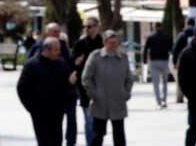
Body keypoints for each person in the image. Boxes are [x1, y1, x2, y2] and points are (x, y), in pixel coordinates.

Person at [17, 37, 77, 146]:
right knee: (44, 142)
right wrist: (31, 107)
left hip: (57, 111)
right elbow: (21, 88)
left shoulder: (62, 63)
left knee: (57, 141)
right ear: (47, 50)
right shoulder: (32, 65)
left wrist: (71, 83)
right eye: (56, 50)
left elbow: (67, 86)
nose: (59, 52)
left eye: (59, 49)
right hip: (40, 113)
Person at [82, 30, 133, 146]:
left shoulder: (123, 57)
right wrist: (93, 94)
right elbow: (86, 78)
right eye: (111, 43)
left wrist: (126, 92)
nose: (113, 46)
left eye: (115, 43)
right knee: (98, 135)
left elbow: (129, 78)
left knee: (119, 135)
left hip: (118, 101)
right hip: (100, 103)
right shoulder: (95, 57)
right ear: (104, 43)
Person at [73, 17, 103, 146]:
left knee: (99, 119)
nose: (86, 29)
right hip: (85, 86)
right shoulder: (80, 44)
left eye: (89, 26)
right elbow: (73, 62)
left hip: (101, 85)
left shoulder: (102, 42)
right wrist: (76, 62)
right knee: (88, 118)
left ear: (96, 27)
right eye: (84, 26)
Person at [143, 21, 172, 109]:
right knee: (165, 82)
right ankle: (164, 100)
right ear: (161, 27)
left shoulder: (150, 37)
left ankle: (158, 102)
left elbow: (145, 50)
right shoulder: (167, 37)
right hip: (164, 60)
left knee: (156, 83)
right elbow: (171, 48)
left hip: (154, 61)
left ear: (154, 27)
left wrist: (144, 61)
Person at [172, 18, 195, 103]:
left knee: (181, 79)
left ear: (186, 24)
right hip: (195, 61)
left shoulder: (181, 35)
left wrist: (175, 62)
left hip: (182, 61)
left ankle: (179, 98)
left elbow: (175, 49)